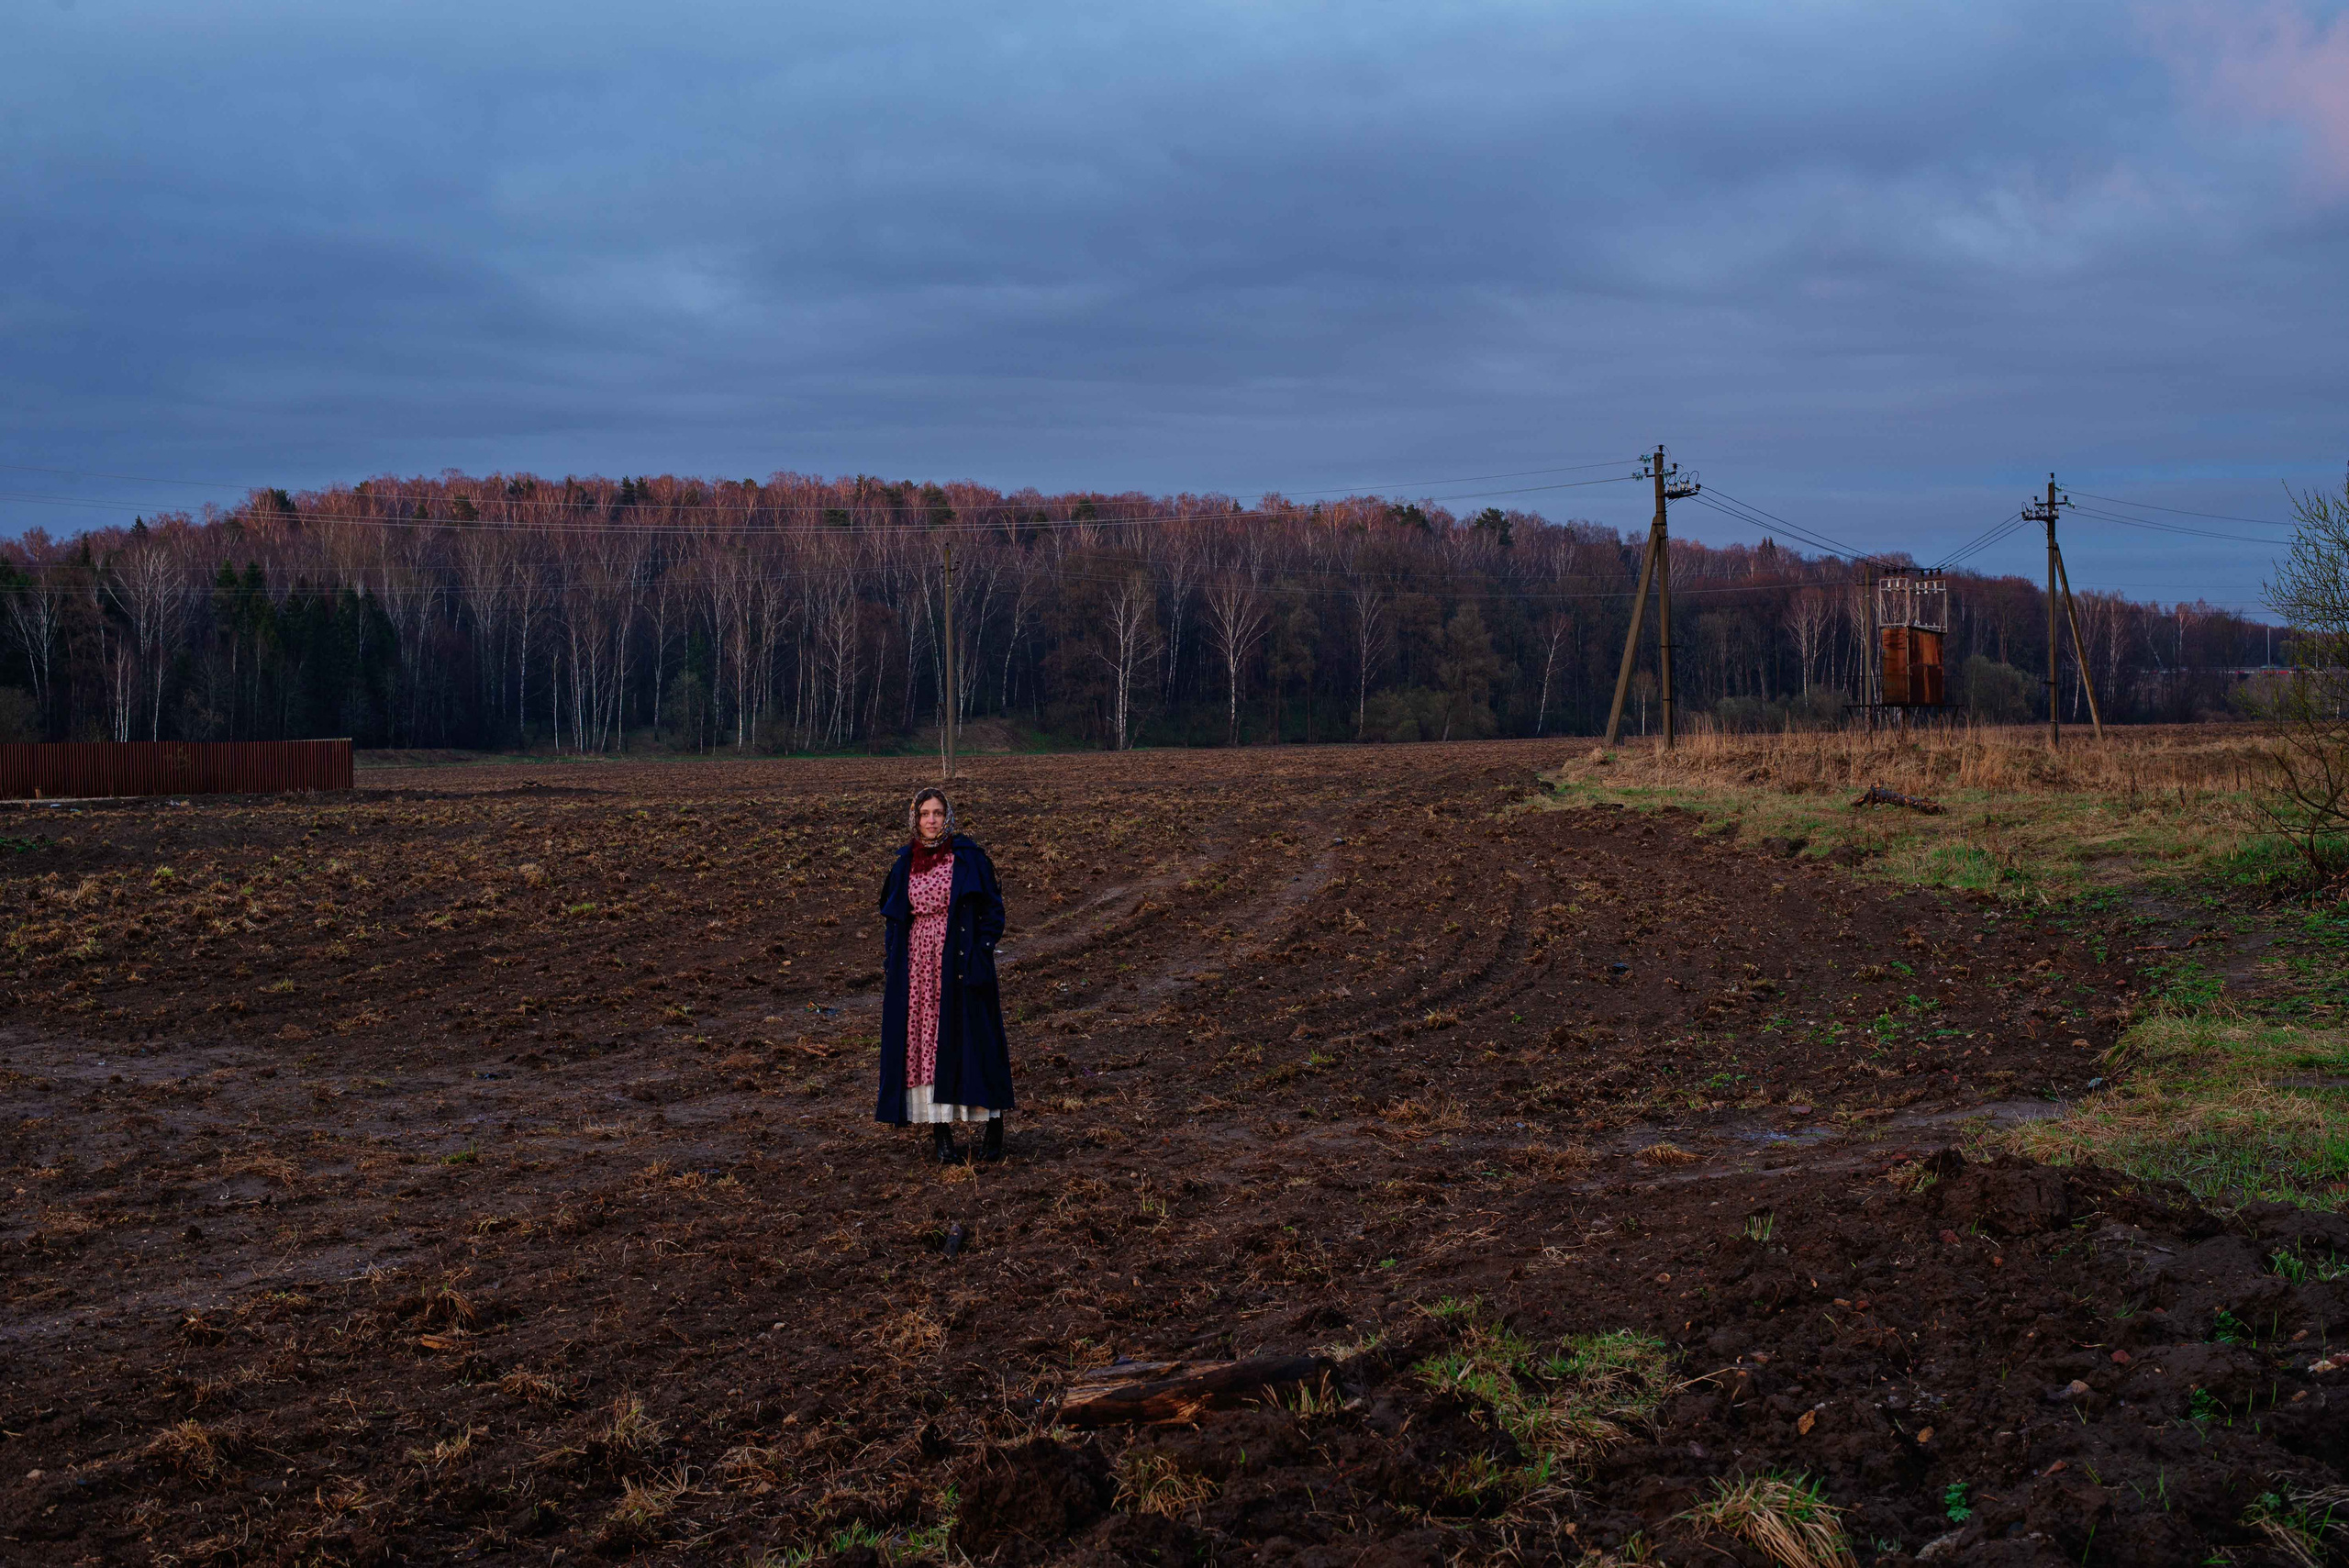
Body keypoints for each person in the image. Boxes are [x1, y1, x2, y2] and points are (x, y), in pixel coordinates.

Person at [874, 787, 1014, 1162]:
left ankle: (993, 1125)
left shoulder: (968, 858)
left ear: (948, 817)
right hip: (919, 969)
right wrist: (894, 963)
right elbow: (895, 922)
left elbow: (993, 912)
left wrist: (982, 953)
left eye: (937, 813)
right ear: (915, 818)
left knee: (974, 1041)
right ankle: (942, 1133)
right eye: (924, 814)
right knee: (926, 1046)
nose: (931, 820)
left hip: (962, 964)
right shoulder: (904, 863)